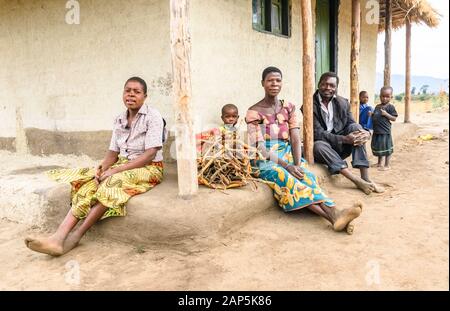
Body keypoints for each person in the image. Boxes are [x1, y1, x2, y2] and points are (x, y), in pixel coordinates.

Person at [25, 77, 165, 256]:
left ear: (145, 96)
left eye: (136, 92)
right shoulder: (119, 119)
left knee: (111, 183)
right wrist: (103, 168)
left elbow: (150, 154)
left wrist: (115, 171)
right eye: (127, 90)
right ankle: (58, 238)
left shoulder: (153, 116)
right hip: (123, 164)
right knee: (90, 183)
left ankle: (76, 236)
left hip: (149, 167)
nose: (131, 94)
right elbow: (113, 154)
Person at [246, 67, 362, 233]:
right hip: (265, 159)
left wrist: (297, 162)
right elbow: (259, 147)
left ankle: (336, 216)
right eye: (270, 80)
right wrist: (288, 166)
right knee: (285, 176)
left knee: (306, 175)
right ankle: (333, 214)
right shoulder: (253, 112)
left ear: (281, 83)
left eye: (278, 80)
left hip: (286, 151)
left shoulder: (288, 107)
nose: (274, 84)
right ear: (262, 83)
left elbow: (294, 137)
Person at [308, 72, 384, 195]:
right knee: (317, 145)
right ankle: (356, 180)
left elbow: (351, 123)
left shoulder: (343, 102)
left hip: (341, 148)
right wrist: (344, 139)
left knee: (356, 127)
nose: (328, 88)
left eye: (332, 85)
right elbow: (318, 134)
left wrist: (367, 133)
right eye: (324, 84)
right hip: (324, 150)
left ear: (336, 87)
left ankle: (365, 177)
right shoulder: (309, 104)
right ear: (318, 85)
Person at [371, 86, 398, 170]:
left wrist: (386, 114)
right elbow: (376, 116)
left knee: (386, 148)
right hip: (377, 131)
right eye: (383, 96)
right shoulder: (377, 106)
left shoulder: (390, 107)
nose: (384, 98)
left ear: (391, 97)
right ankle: (379, 163)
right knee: (379, 148)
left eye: (387, 96)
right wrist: (371, 115)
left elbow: (394, 118)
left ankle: (387, 165)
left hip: (385, 132)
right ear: (380, 96)